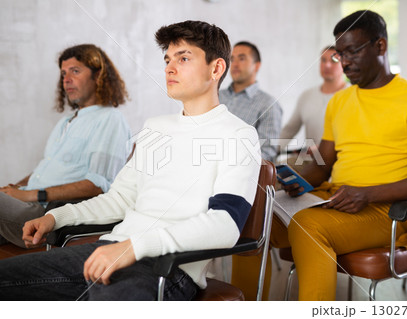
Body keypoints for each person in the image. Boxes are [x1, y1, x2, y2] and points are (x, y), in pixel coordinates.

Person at [0, 20, 261, 301]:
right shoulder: (155, 128)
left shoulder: (239, 136)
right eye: (167, 59)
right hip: (108, 250)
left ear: (216, 68)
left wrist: (134, 247)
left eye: (183, 58)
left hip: (167, 269)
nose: (169, 68)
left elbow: (224, 225)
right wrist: (55, 217)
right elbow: (120, 199)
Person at [233, 10, 407, 301]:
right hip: (336, 199)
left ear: (380, 46)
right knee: (253, 217)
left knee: (309, 226)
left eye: (352, 52)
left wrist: (366, 194)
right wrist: (296, 180)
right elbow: (322, 166)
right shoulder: (339, 101)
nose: (344, 62)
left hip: (391, 211)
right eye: (339, 54)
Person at [0, 44, 132, 248]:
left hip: (45, 213)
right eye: (63, 73)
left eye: (75, 71)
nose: (66, 79)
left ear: (98, 76)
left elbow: (97, 185)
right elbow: (45, 167)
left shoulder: (110, 119)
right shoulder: (66, 122)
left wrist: (31, 194)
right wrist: (15, 188)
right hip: (28, 200)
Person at [219, 41, 282, 162]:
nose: (235, 64)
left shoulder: (268, 104)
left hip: (240, 175)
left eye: (242, 59)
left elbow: (266, 154)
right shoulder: (215, 96)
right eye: (232, 59)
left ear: (257, 65)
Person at [279, 45, 348, 151]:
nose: (327, 65)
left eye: (334, 61)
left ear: (344, 64)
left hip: (342, 161)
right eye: (323, 60)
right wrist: (267, 154)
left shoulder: (352, 96)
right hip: (311, 163)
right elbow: (289, 131)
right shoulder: (307, 96)